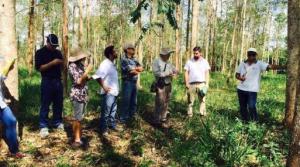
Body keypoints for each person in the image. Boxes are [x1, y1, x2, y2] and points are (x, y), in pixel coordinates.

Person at [236, 48, 283, 122]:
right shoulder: (242, 63)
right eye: (250, 54)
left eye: (253, 54)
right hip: (241, 89)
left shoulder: (259, 64)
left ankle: (255, 122)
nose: (251, 56)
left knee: (251, 106)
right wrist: (240, 78)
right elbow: (237, 75)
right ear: (247, 55)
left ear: (256, 55)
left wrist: (283, 67)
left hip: (252, 90)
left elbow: (270, 66)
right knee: (242, 107)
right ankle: (245, 121)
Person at [35, 34, 64, 138]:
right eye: (52, 45)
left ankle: (57, 122)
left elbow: (62, 66)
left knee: (58, 103)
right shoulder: (40, 53)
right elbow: (40, 68)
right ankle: (43, 126)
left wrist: (61, 63)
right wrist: (53, 63)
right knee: (45, 103)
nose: (54, 47)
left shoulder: (58, 52)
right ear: (47, 42)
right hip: (47, 81)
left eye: (55, 46)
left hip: (57, 81)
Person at [92, 45, 121, 136]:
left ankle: (111, 125)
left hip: (114, 93)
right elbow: (97, 76)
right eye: (115, 51)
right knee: (106, 112)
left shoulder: (112, 64)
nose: (116, 53)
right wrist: (104, 86)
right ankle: (103, 129)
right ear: (110, 54)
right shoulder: (105, 63)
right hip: (108, 93)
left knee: (113, 111)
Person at [0, 56, 25, 158]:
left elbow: (2, 75)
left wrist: (9, 65)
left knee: (11, 121)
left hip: (1, 104)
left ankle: (14, 151)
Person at [68, 48, 93, 147]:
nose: (83, 58)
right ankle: (77, 140)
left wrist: (90, 76)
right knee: (77, 118)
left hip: (83, 94)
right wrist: (87, 71)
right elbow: (78, 81)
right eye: (82, 57)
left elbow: (84, 78)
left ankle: (78, 137)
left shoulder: (80, 65)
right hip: (77, 95)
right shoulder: (72, 66)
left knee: (79, 117)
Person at [152, 48, 178, 128]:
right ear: (163, 55)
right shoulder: (156, 61)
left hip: (168, 84)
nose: (169, 55)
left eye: (169, 54)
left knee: (166, 101)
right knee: (160, 101)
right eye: (168, 54)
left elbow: (174, 69)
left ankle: (163, 118)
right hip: (160, 84)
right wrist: (167, 73)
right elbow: (156, 73)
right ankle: (156, 120)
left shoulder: (168, 62)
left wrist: (175, 71)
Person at [120, 43, 143, 124]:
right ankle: (123, 119)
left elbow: (141, 68)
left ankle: (132, 117)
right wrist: (136, 70)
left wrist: (135, 69)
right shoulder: (124, 59)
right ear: (127, 50)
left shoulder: (135, 59)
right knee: (126, 101)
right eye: (132, 48)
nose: (133, 50)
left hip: (134, 82)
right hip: (127, 82)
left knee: (134, 101)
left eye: (133, 48)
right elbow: (131, 71)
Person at [184, 47, 210, 117]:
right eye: (194, 53)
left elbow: (207, 73)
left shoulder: (205, 62)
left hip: (202, 84)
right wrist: (186, 83)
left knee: (202, 100)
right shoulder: (189, 61)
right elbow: (186, 72)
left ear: (200, 53)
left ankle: (202, 114)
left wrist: (207, 84)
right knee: (190, 101)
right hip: (191, 84)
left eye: (197, 53)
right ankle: (189, 115)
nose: (195, 55)